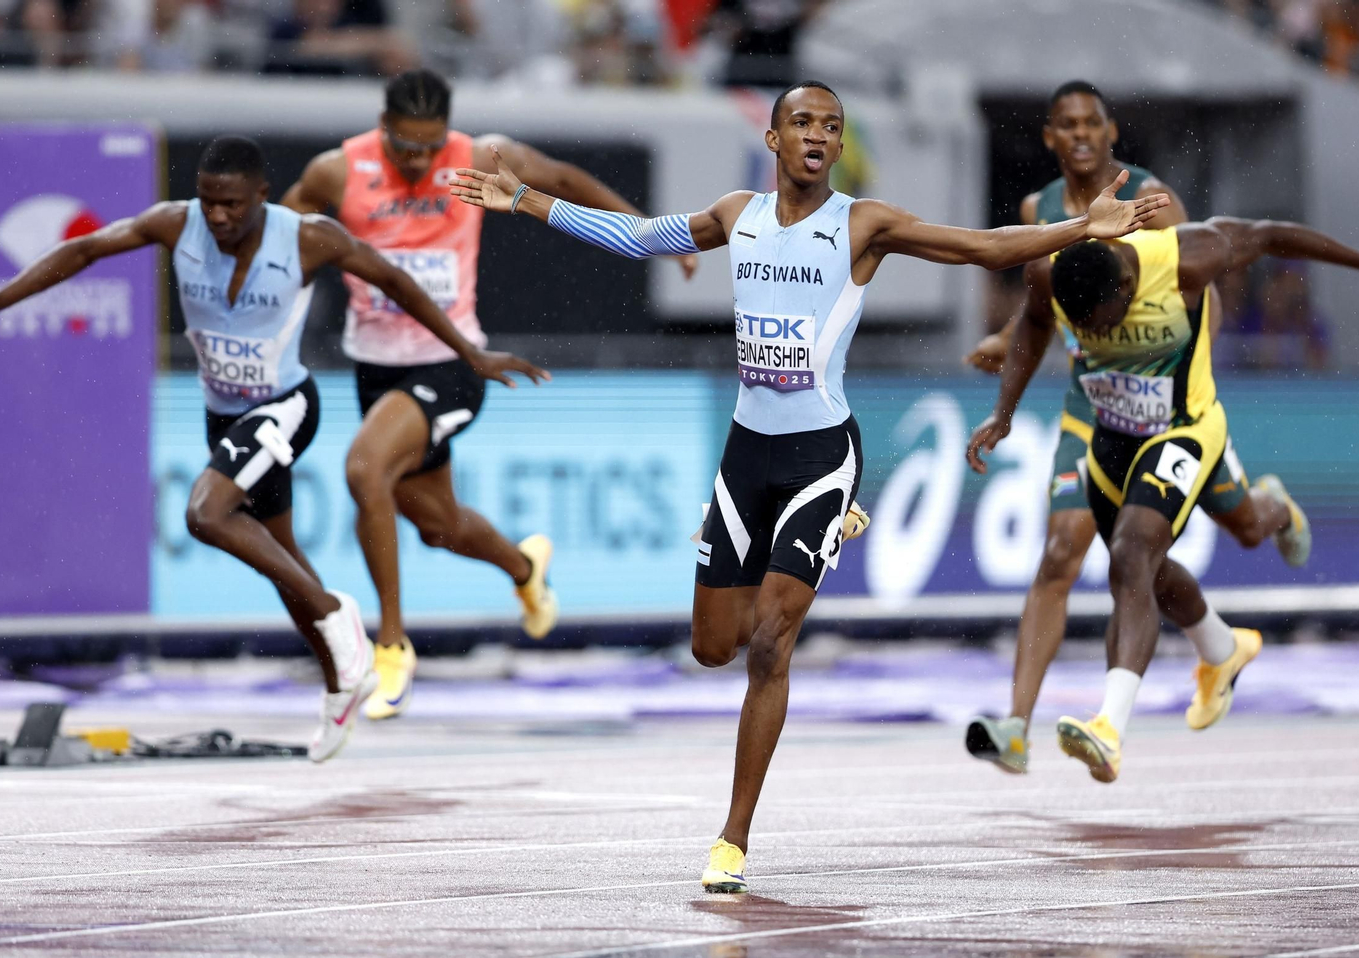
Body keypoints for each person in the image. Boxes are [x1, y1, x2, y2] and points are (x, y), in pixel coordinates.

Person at [451, 80, 1169, 890]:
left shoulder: (863, 224)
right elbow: (639, 236)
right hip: (746, 454)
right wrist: (526, 201)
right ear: (774, 140)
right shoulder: (737, 215)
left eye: (831, 125)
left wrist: (1081, 227)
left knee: (769, 642)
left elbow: (981, 246)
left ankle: (731, 839)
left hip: (822, 453)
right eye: (803, 123)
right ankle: (808, 532)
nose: (818, 136)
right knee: (712, 645)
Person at [0, 136, 544, 762]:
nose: (219, 217)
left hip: (284, 408)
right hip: (224, 416)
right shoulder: (176, 224)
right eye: (209, 203)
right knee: (280, 559)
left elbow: (396, 282)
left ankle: (335, 611)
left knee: (206, 514)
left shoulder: (309, 237)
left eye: (232, 204)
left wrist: (469, 351)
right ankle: (342, 682)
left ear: (261, 196)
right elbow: (87, 248)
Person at [281, 69, 698, 721]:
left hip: (454, 360)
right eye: (405, 146)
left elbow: (562, 181)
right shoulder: (339, 170)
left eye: (430, 145)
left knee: (365, 468)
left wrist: (652, 235)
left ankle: (391, 646)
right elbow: (282, 232)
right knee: (438, 524)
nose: (419, 161)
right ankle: (524, 568)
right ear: (381, 127)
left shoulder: (480, 158)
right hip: (376, 369)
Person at [965, 214, 1359, 783]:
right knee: (1160, 563)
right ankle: (1222, 647)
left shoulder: (1188, 258)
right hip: (1111, 439)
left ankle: (1109, 730)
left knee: (1132, 555)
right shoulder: (1050, 271)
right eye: (1080, 328)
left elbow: (1269, 235)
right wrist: (1004, 412)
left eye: (1099, 324)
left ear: (1127, 290)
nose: (1088, 338)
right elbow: (1035, 324)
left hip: (1186, 430)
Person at [962, 80, 1307, 775]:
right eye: (1068, 124)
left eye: (1093, 122)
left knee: (1231, 528)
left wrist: (1187, 388)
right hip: (1091, 408)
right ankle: (1017, 729)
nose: (1082, 134)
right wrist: (1007, 340)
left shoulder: (1155, 203)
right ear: (1052, 138)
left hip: (1173, 406)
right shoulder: (1038, 209)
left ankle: (1263, 529)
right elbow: (1045, 300)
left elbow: (1188, 292)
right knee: (1068, 551)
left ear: (1111, 131)